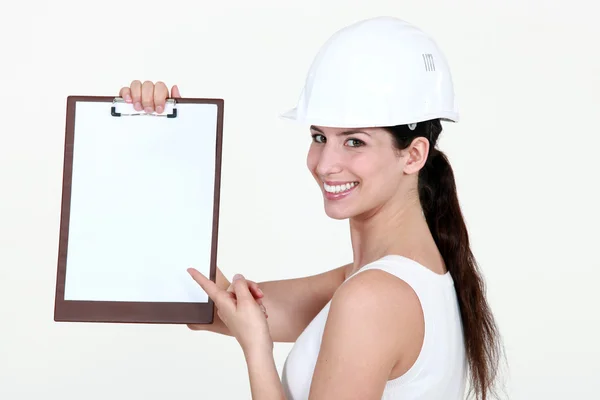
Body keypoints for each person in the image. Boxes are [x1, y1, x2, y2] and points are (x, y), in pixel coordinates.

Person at [119, 16, 503, 400]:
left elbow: (243, 323)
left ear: (413, 154)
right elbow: (212, 308)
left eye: (354, 142)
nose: (324, 164)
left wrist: (257, 350)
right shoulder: (379, 279)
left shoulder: (373, 298)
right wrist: (164, 140)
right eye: (320, 136)